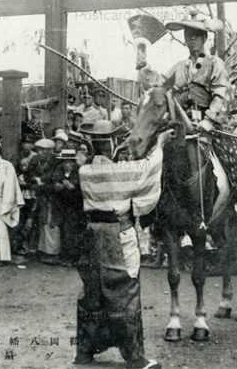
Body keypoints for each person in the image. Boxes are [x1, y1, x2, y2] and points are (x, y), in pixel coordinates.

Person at [73, 128, 172, 369]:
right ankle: (135, 356)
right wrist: (159, 142)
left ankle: (84, 351)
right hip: (117, 233)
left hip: (92, 235)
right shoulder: (121, 171)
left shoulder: (84, 172)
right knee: (125, 290)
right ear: (112, 145)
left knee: (92, 293)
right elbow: (149, 167)